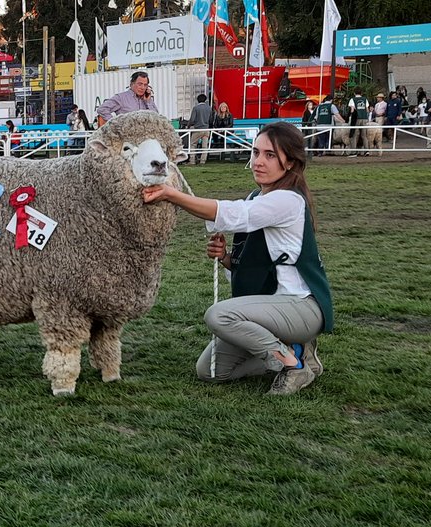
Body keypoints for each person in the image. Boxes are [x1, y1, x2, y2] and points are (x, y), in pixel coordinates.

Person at [141, 122, 333, 395]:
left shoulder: (288, 200)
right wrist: (227, 259)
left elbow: (233, 214)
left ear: (289, 163)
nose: (258, 161)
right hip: (270, 309)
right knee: (210, 371)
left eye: (269, 155)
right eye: (255, 152)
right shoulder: (257, 196)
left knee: (220, 315)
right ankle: (293, 351)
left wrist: (173, 195)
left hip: (301, 309)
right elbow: (254, 262)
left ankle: (293, 363)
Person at [184, 94, 214, 165]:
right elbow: (211, 119)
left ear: (197, 100)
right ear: (205, 100)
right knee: (204, 146)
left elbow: (192, 119)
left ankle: (192, 161)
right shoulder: (209, 108)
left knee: (193, 144)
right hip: (206, 129)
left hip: (197, 129)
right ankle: (203, 161)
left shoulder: (195, 108)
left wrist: (188, 126)